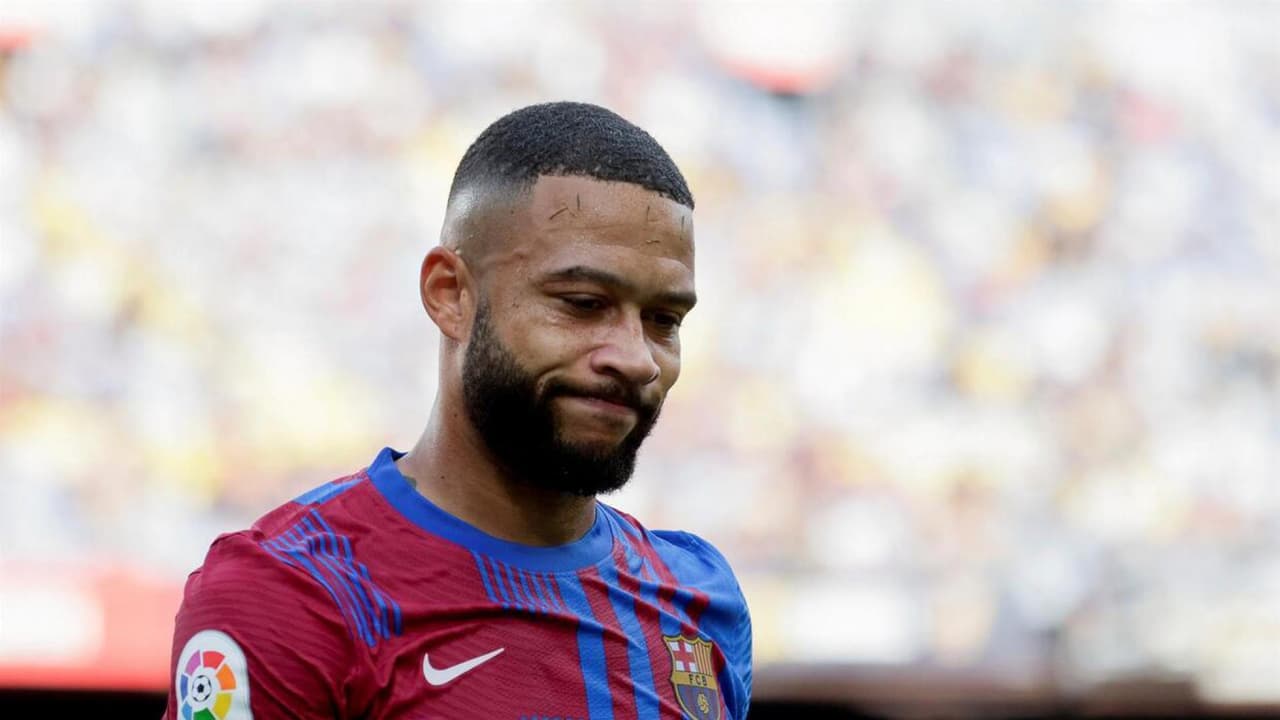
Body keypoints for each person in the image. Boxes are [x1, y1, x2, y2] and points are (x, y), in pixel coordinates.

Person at [164, 102, 752, 720]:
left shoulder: (700, 600)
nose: (636, 359)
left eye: (664, 320)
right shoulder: (289, 595)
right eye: (582, 303)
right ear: (450, 294)